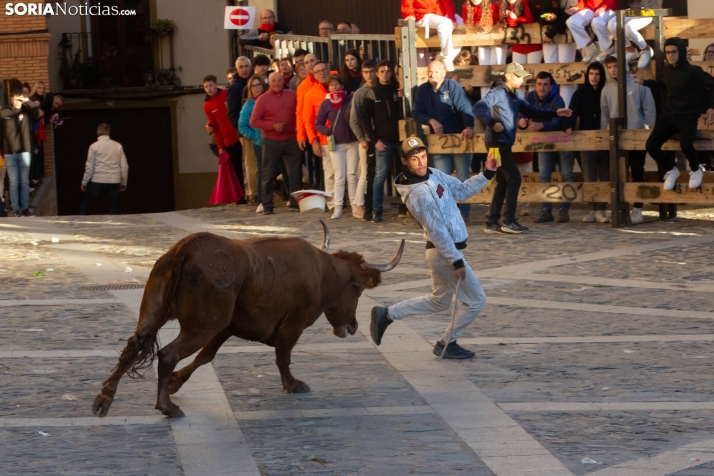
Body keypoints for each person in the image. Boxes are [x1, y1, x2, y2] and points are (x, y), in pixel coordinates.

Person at [370, 136, 498, 359]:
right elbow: (437, 229)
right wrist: (456, 261)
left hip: (438, 252)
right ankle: (446, 343)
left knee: (439, 301)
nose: (421, 162)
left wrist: (486, 173)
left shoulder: (433, 173)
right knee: (476, 300)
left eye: (423, 156)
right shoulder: (417, 193)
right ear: (404, 161)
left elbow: (460, 191)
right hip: (444, 253)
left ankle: (388, 314)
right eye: (415, 159)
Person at [473, 63, 572, 234]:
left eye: (522, 76)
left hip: (501, 142)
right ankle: (509, 221)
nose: (522, 79)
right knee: (514, 178)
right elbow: (477, 107)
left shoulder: (514, 96)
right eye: (519, 76)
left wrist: (556, 112)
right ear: (509, 76)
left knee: (503, 181)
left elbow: (533, 110)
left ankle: (492, 222)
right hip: (497, 142)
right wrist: (493, 123)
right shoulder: (498, 92)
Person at [644, 38, 714, 193]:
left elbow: (712, 84)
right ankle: (671, 170)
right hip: (668, 116)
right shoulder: (668, 70)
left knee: (685, 145)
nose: (670, 55)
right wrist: (645, 82)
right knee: (651, 145)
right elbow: (664, 85)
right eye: (667, 52)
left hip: (687, 116)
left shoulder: (693, 71)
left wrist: (711, 106)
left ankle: (696, 170)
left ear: (681, 52)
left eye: (674, 52)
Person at [413, 60, 475, 220]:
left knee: (462, 178)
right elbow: (416, 113)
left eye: (435, 72)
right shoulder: (422, 90)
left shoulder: (453, 87)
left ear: (443, 73)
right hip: (439, 141)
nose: (432, 75)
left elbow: (464, 107)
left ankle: (463, 213)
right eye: (430, 72)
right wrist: (431, 120)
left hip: (458, 137)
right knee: (441, 179)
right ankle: (445, 213)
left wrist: (469, 126)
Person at [601, 55, 655, 224]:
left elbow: (649, 110)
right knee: (618, 174)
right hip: (615, 139)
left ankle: (638, 208)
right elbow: (605, 114)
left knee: (637, 171)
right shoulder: (607, 89)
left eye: (616, 66)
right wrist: (605, 133)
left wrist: (646, 129)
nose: (613, 70)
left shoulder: (639, 85)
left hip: (636, 135)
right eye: (610, 67)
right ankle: (620, 206)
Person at [250, 73, 303, 214]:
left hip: (292, 139)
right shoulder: (262, 99)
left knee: (295, 173)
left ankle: (295, 203)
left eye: (280, 80)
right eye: (274, 81)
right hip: (272, 140)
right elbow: (254, 121)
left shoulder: (292, 95)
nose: (277, 83)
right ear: (269, 83)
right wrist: (272, 126)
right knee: (268, 173)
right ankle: (267, 205)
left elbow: (301, 112)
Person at [523, 72, 572, 224]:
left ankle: (564, 209)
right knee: (544, 174)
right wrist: (522, 121)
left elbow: (557, 122)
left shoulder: (557, 98)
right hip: (544, 140)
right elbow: (520, 111)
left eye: (545, 84)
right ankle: (546, 209)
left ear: (551, 86)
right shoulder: (531, 97)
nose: (541, 87)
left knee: (566, 174)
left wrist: (542, 124)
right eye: (539, 84)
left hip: (563, 140)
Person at [564, 61, 609, 223]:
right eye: (591, 73)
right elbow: (572, 112)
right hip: (586, 139)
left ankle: (602, 209)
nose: (594, 77)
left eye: (597, 74)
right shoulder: (580, 93)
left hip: (605, 138)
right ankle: (592, 208)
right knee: (588, 175)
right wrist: (569, 126)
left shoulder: (607, 91)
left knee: (605, 174)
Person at [359, 61, 403, 223]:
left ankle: (407, 207)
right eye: (382, 71)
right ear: (377, 74)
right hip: (382, 142)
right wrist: (374, 140)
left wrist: (401, 99)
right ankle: (377, 211)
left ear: (392, 73)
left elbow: (406, 113)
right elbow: (363, 119)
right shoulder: (371, 93)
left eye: (388, 70)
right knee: (379, 177)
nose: (385, 73)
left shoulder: (397, 90)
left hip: (400, 141)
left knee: (405, 175)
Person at [315, 75, 360, 219]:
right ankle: (337, 207)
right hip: (337, 144)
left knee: (352, 175)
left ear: (342, 86)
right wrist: (328, 132)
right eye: (331, 84)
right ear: (328, 87)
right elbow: (318, 123)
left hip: (353, 142)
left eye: (337, 84)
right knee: (339, 176)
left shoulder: (349, 99)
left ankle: (354, 206)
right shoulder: (326, 103)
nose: (334, 87)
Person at [203, 75, 245, 202]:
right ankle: (240, 196)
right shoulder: (207, 106)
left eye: (211, 85)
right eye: (206, 87)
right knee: (236, 169)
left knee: (247, 166)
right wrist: (220, 146)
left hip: (240, 135)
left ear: (216, 85)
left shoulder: (227, 93)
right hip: (228, 141)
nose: (209, 89)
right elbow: (214, 127)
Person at [0, 90, 42, 217]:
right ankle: (15, 209)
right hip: (10, 152)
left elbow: (39, 113)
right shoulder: (5, 113)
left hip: (24, 152)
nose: (18, 101)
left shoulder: (27, 112)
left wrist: (27, 101)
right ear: (12, 98)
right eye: (17, 99)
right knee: (13, 182)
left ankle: (24, 208)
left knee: (24, 181)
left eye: (21, 99)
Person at [532, 0, 578, 106]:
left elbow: (569, 12)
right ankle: (550, 110)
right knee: (550, 72)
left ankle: (566, 112)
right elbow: (537, 16)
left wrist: (551, 32)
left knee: (566, 72)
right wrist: (546, 18)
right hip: (546, 33)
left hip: (565, 33)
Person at [304, 62, 335, 208]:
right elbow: (308, 121)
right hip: (325, 139)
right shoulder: (310, 94)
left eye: (324, 70)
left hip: (343, 136)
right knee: (329, 172)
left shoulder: (338, 88)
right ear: (314, 75)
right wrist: (313, 141)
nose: (322, 73)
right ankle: (332, 203)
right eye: (318, 71)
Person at [350, 60, 378, 221]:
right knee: (366, 172)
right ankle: (359, 204)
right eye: (366, 71)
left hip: (380, 137)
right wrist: (361, 139)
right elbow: (353, 120)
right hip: (366, 140)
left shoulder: (380, 89)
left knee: (376, 173)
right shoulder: (360, 93)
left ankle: (373, 203)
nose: (369, 75)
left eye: (371, 71)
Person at [80, 123, 128, 215]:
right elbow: (124, 166)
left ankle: (83, 222)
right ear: (109, 132)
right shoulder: (118, 146)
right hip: (114, 179)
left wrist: (84, 182)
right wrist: (123, 182)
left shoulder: (94, 146)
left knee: (86, 203)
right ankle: (113, 224)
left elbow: (90, 166)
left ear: (97, 132)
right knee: (113, 205)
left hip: (98, 179)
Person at [598, 0, 661, 67]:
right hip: (633, 9)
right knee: (612, 24)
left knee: (629, 28)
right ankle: (630, 51)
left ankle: (645, 49)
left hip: (649, 10)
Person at [402, 0, 460, 70]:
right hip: (424, 15)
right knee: (446, 23)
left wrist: (452, 19)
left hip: (440, 14)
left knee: (462, 23)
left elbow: (448, 2)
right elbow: (407, 5)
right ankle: (446, 56)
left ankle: (447, 58)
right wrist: (410, 15)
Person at [463, 0, 505, 98]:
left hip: (496, 41)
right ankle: (485, 101)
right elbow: (466, 23)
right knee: (483, 71)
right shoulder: (467, 6)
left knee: (495, 70)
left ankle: (497, 101)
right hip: (481, 40)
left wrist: (490, 26)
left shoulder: (493, 5)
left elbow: (501, 22)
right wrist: (477, 26)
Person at [239, 74, 268, 210]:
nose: (256, 88)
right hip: (259, 142)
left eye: (258, 85)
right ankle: (261, 201)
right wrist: (255, 136)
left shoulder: (269, 99)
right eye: (253, 86)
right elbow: (242, 125)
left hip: (275, 139)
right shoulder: (248, 105)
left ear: (263, 85)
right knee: (261, 170)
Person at [503, 0, 542, 96]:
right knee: (517, 78)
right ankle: (519, 104)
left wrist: (516, 18)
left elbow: (530, 19)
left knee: (533, 77)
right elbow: (511, 24)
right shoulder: (505, 6)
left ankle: (532, 104)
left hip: (533, 45)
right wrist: (510, 17)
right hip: (517, 46)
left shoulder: (525, 2)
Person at [227, 56, 252, 130]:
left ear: (250, 67)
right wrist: (241, 130)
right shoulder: (234, 87)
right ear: (237, 69)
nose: (244, 69)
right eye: (241, 67)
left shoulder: (255, 82)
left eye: (246, 66)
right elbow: (232, 112)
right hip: (245, 129)